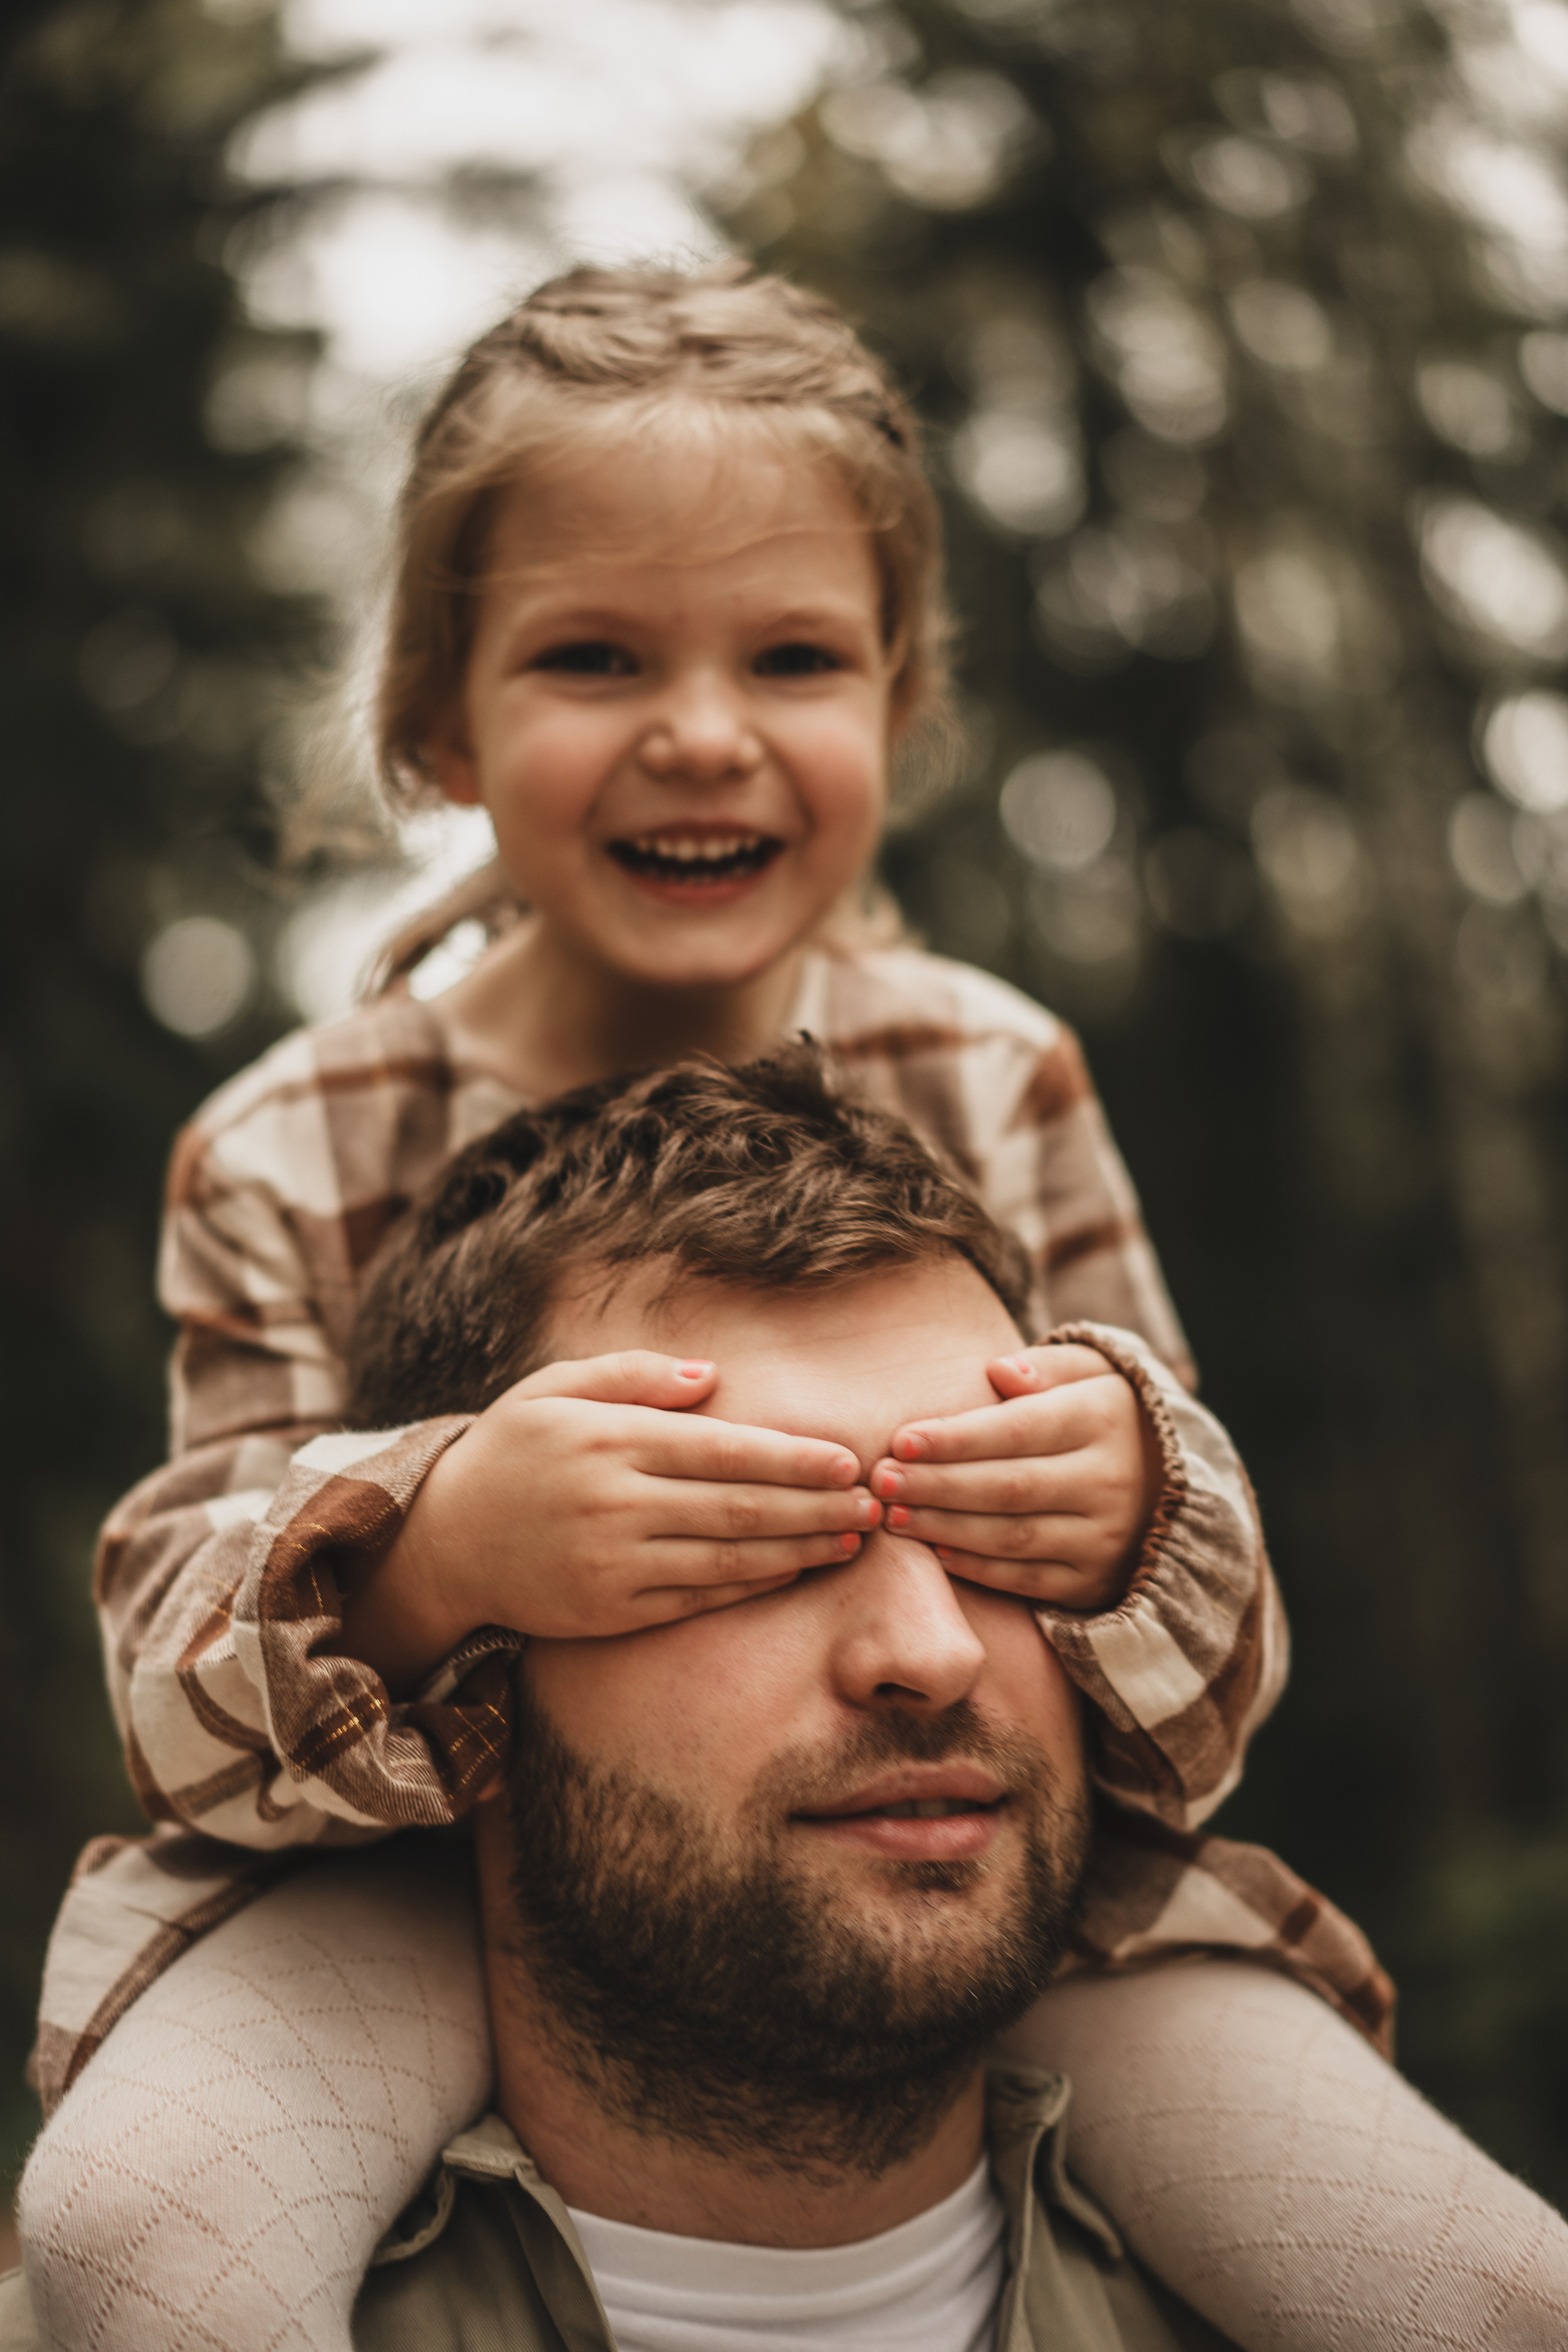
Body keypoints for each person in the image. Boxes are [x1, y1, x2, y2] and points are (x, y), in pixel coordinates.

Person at [18, 261, 1387, 2350]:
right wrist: (442, 1546)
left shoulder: (995, 1075)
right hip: (391, 1900)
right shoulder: (299, 1140)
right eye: (593, 654)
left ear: (898, 703)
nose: (702, 732)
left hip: (1001, 1887)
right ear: (435, 719)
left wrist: (1136, 1511)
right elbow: (174, 1694)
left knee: (1451, 2274)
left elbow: (1222, 1663)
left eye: (795, 656)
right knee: (142, 2243)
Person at [13, 1051, 1568, 2351]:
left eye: (1002, 1529)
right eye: (736, 1541)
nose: (931, 1651)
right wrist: (408, 1557)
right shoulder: (294, 1148)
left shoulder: (999, 1066)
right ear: (459, 1682)